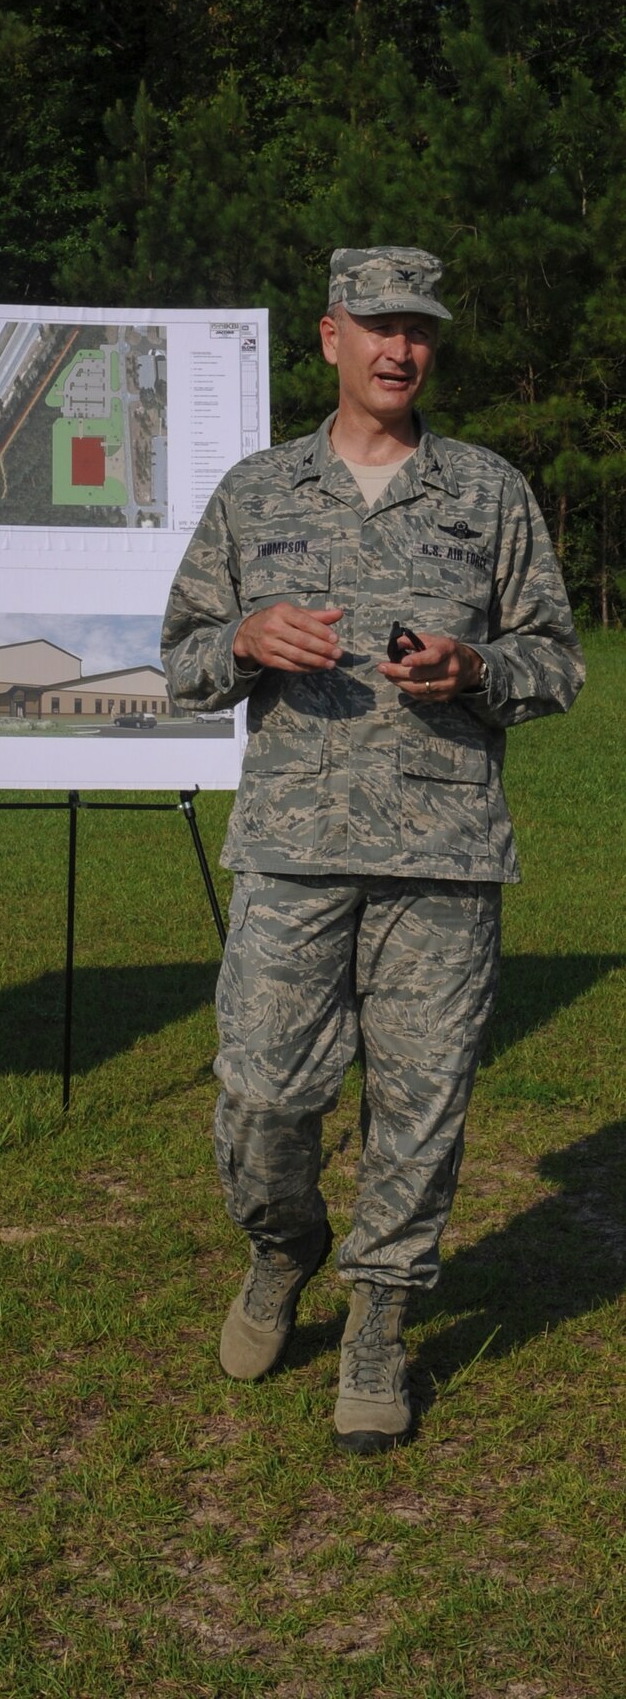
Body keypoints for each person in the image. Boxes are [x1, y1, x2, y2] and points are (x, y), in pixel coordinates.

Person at [161, 246, 584, 1453]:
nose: (400, 347)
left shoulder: (486, 491)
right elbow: (182, 658)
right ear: (329, 336)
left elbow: (554, 660)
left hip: (443, 857)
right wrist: (244, 636)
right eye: (377, 324)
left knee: (420, 1105)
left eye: (419, 328)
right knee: (260, 1095)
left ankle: (378, 1324)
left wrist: (476, 666)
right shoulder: (257, 490)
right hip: (291, 848)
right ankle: (281, 1241)